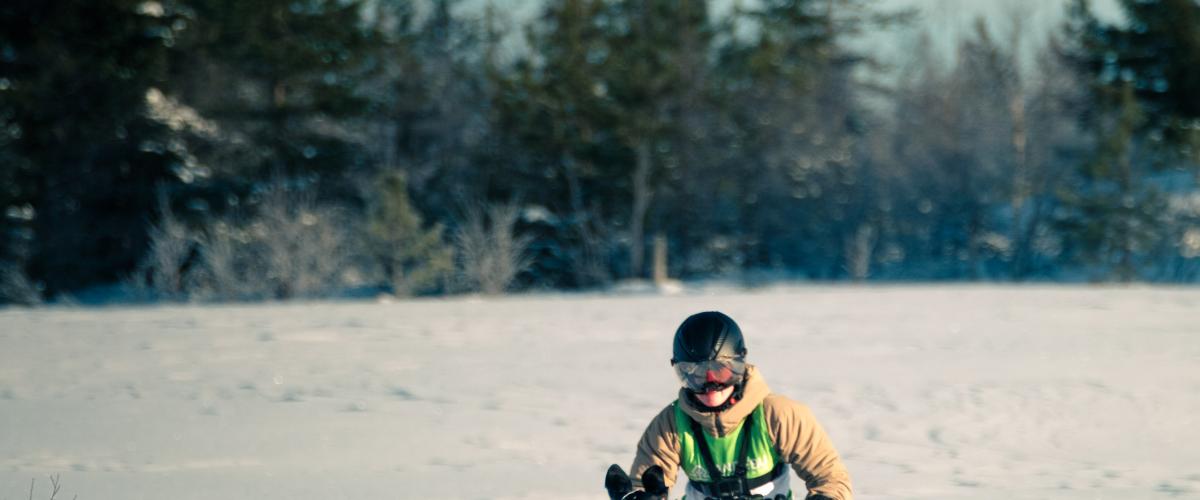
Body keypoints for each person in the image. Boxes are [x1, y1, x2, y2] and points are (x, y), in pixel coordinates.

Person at [624, 311, 853, 500]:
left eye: (720, 370)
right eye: (695, 374)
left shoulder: (780, 414)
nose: (710, 384)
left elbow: (831, 478)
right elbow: (641, 484)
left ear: (739, 363)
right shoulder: (670, 425)